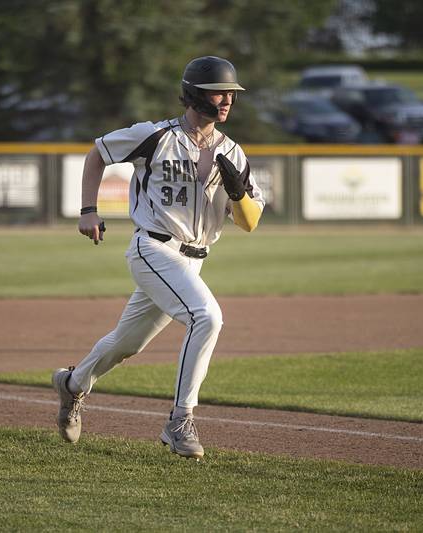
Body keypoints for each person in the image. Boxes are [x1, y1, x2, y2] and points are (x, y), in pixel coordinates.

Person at [52, 56, 264, 459]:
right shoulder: (155, 135)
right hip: (152, 247)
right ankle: (180, 420)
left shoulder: (234, 154)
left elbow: (249, 222)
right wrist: (87, 210)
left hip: (193, 258)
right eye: (220, 92)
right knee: (208, 316)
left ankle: (72, 384)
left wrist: (238, 194)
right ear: (195, 94)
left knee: (126, 344)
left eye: (232, 94)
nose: (227, 101)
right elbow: (97, 153)